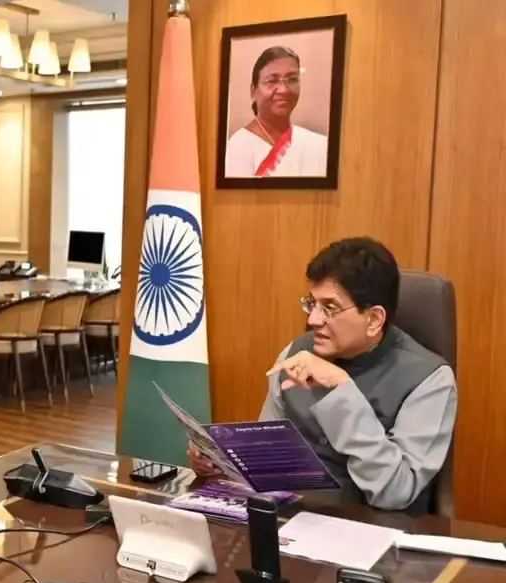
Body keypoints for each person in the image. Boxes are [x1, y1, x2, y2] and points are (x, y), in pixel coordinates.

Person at [189, 237, 457, 512]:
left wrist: (342, 391)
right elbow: (267, 454)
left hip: (369, 525)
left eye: (330, 308)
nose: (313, 320)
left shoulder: (429, 379)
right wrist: (220, 462)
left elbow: (394, 493)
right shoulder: (296, 354)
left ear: (374, 319)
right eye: (312, 304)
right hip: (291, 516)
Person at [224, 46, 328, 178]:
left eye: (292, 79)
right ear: (253, 91)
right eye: (272, 81)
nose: (284, 90)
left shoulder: (319, 145)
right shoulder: (238, 146)